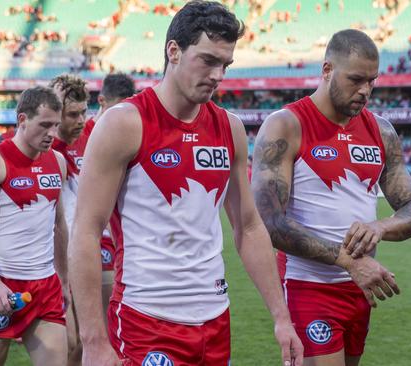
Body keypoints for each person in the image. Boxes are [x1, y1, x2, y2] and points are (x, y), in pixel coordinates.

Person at [68, 2, 303, 366]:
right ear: (173, 51)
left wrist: (281, 318)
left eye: (225, 65)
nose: (218, 74)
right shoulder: (124, 124)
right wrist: (94, 341)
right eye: (208, 60)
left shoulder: (230, 129)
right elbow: (85, 231)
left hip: (214, 320)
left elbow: (250, 226)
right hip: (145, 320)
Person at [251, 29, 411, 366]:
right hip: (307, 284)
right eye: (356, 79)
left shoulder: (382, 131)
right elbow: (270, 223)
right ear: (327, 69)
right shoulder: (286, 126)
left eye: (372, 81)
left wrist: (381, 227)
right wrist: (349, 261)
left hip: (360, 290)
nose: (365, 91)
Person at [0, 86, 69, 366]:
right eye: (44, 125)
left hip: (46, 286)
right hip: (3, 285)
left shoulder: (57, 162)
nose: (52, 133)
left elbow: (59, 224)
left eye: (56, 126)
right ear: (22, 120)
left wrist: (64, 278)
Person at [85, 72, 135, 326]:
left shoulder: (133, 135)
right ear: (102, 101)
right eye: (116, 111)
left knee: (111, 324)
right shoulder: (80, 134)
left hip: (125, 242)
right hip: (89, 240)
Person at [48, 73, 89, 366]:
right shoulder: (45, 147)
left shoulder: (93, 139)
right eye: (73, 114)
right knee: (67, 342)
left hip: (86, 255)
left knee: (85, 342)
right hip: (53, 259)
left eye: (84, 112)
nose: (81, 120)